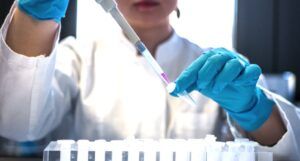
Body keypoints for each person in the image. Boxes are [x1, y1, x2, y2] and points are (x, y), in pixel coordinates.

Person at [0, 0, 299, 160]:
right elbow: (16, 123)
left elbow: (288, 148)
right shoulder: (77, 58)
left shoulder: (215, 64)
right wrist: (35, 18)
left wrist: (254, 109)